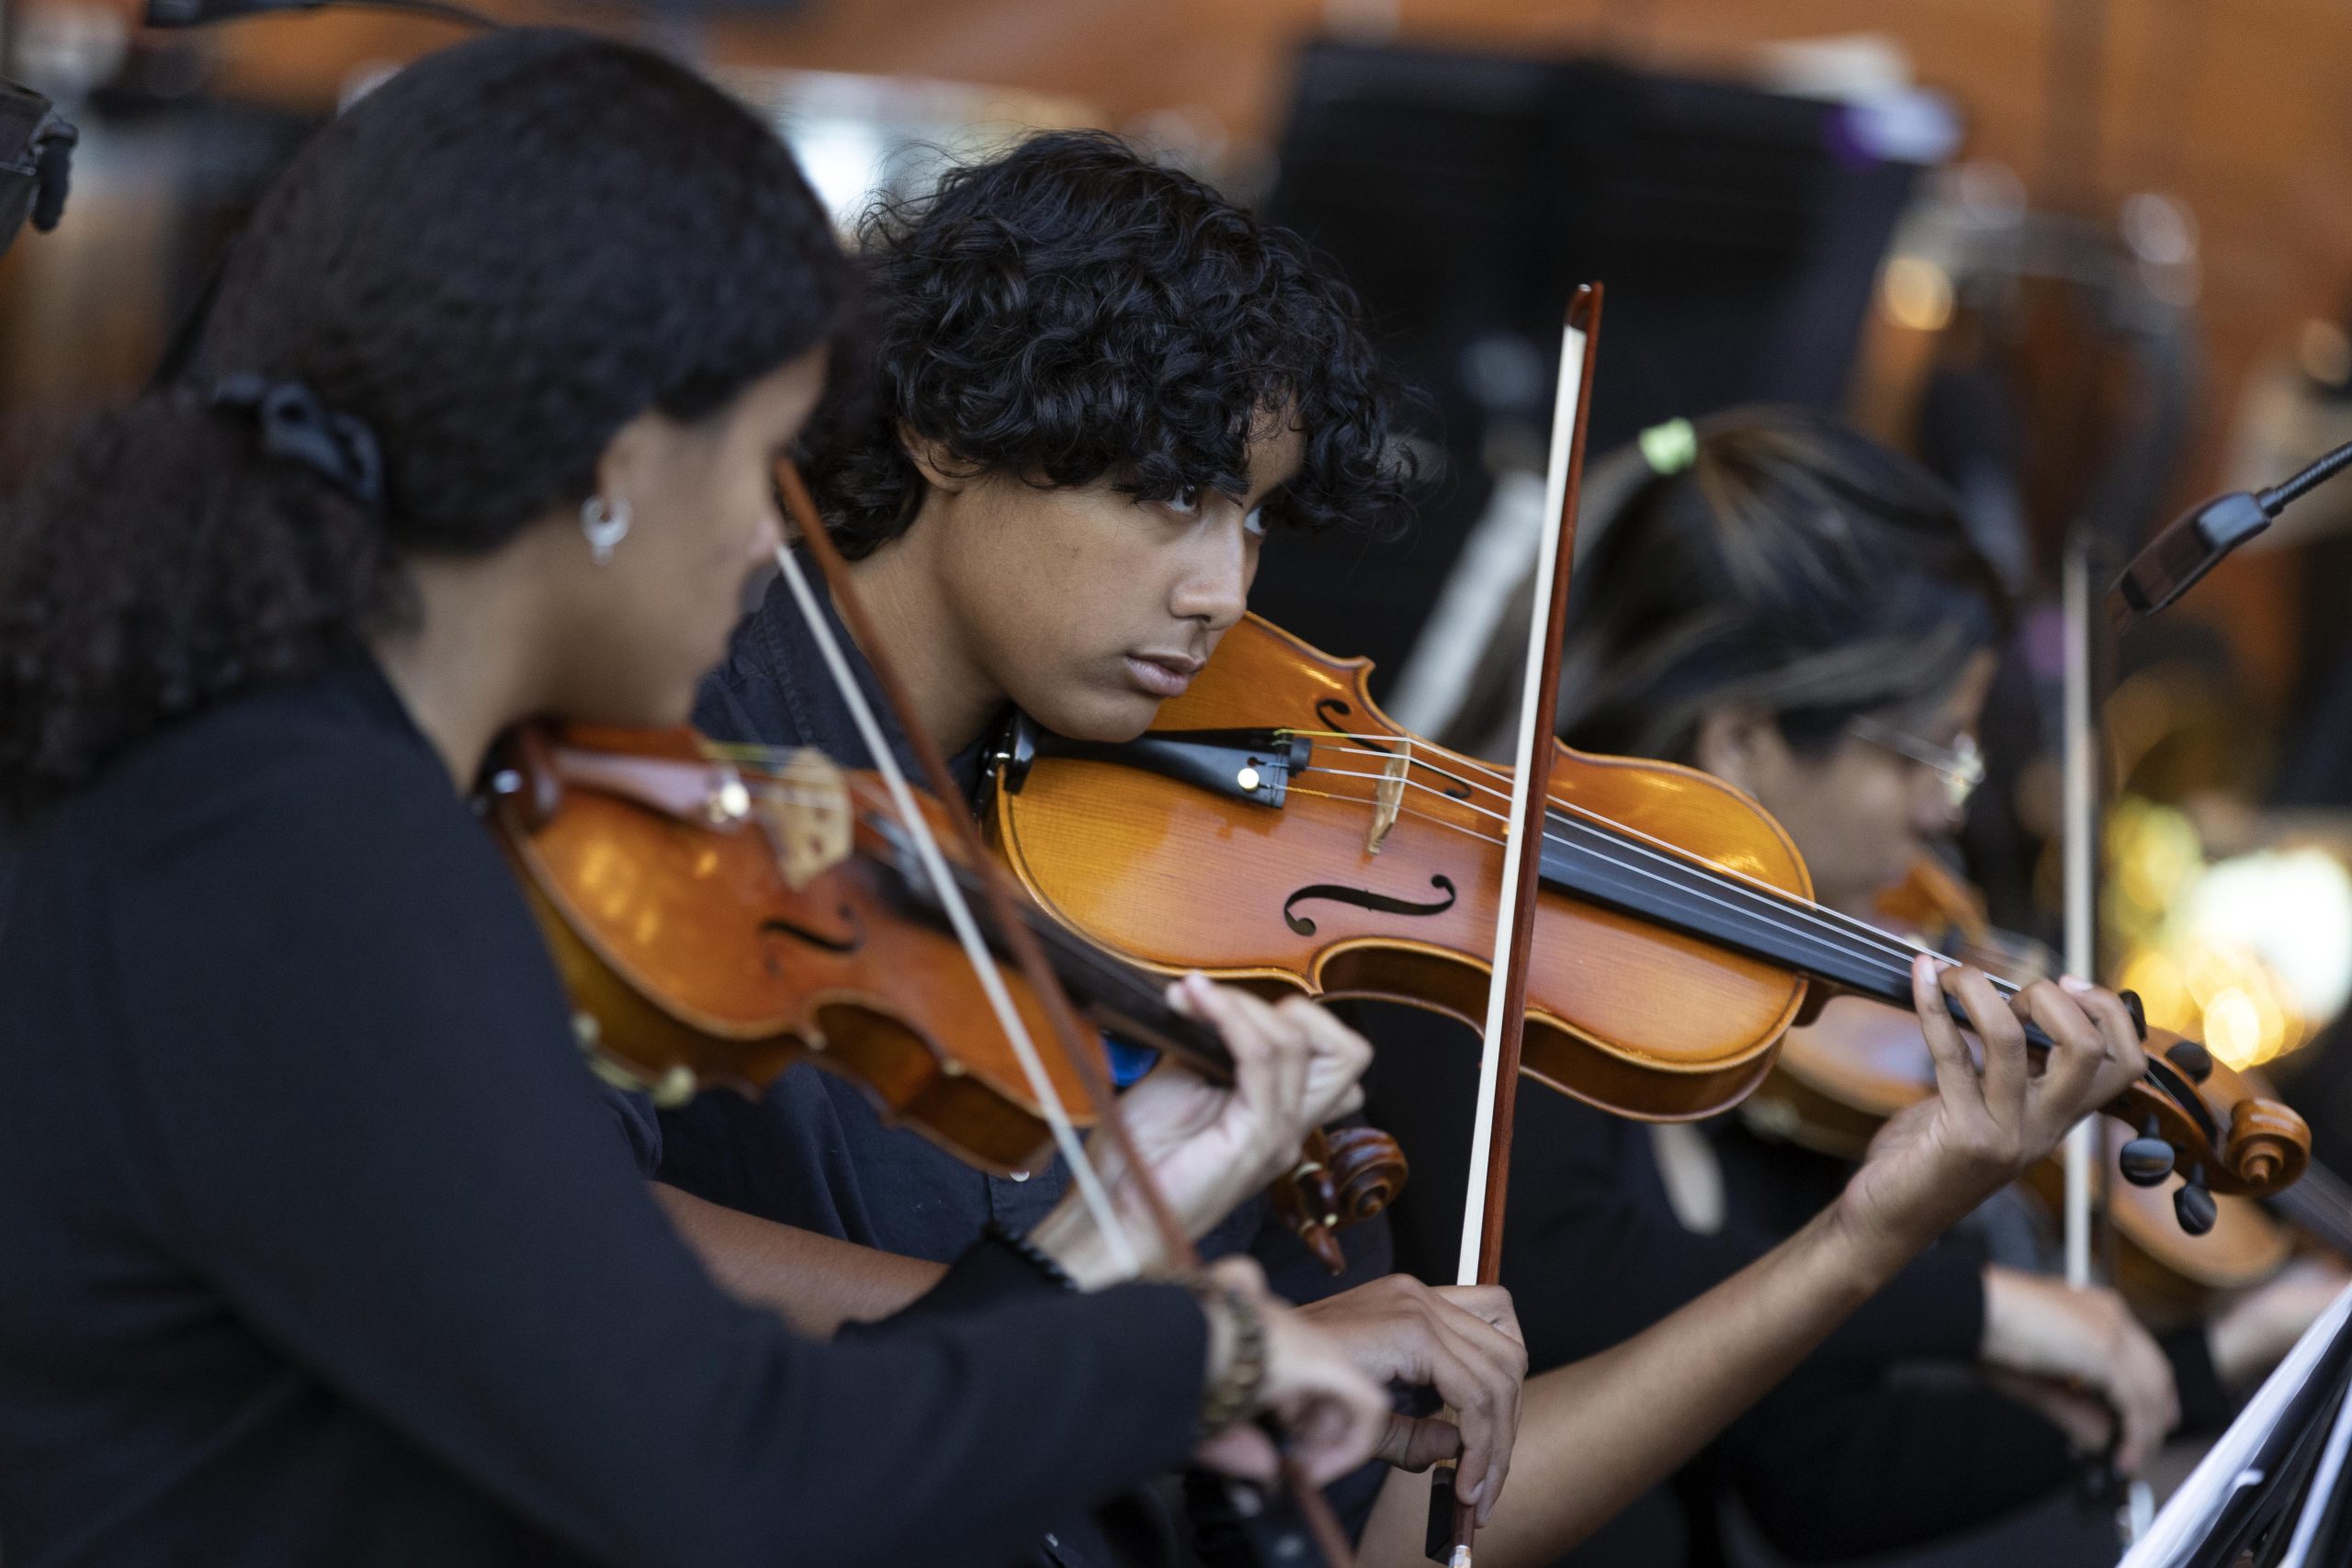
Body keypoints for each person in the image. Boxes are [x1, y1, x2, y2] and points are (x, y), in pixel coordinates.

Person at [645, 132, 2154, 1567]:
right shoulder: (670, 738)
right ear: (943, 427)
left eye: (1252, 516)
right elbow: (561, 1233)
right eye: (1171, 496)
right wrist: (1176, 1350)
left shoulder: (1193, 884)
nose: (1220, 589)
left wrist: (1864, 1240)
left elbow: (1397, 1534)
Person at [0, 34, 1397, 1567]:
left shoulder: (291, 791)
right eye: (753, 460)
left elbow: (693, 1419)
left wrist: (1110, 1242)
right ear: (610, 457)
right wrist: (1195, 1359)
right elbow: (733, 1483)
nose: (762, 540)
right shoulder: (309, 858)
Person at [1379, 405, 2337, 1564]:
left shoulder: (1768, 1027)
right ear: (1742, 742)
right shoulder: (1466, 949)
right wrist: (1989, 1311)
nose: (1950, 808)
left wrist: (2213, 1358)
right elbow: (1570, 1280)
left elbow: (1812, 1473)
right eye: (1927, 751)